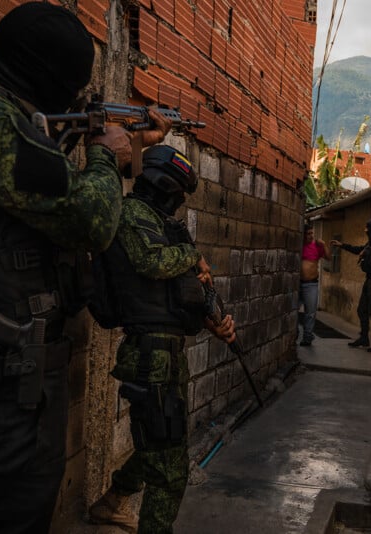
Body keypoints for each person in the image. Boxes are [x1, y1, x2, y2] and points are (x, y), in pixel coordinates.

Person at [0, 3, 172, 532]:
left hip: (14, 366)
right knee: (10, 516)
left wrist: (128, 143)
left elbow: (42, 188)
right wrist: (107, 155)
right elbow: (88, 219)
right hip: (2, 372)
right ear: (49, 75)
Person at [87, 145, 236, 534]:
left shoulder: (163, 224)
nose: (181, 201)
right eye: (179, 191)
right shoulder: (133, 215)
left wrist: (213, 321)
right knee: (169, 472)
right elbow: (151, 263)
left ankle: (113, 501)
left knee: (165, 448)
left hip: (169, 356)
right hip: (148, 355)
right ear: (164, 183)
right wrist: (191, 255)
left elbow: (181, 290)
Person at [330, 219, 371, 353]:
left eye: (367, 228)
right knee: (362, 310)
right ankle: (364, 338)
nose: (365, 230)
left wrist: (364, 257)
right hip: (370, 281)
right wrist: (342, 245)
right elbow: (359, 250)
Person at [299, 224, 329, 346]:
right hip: (297, 284)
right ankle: (293, 333)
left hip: (311, 284)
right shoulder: (299, 246)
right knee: (292, 310)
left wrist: (324, 245)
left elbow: (328, 257)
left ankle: (307, 336)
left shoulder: (316, 246)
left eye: (312, 233)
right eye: (308, 234)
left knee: (310, 312)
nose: (311, 236)